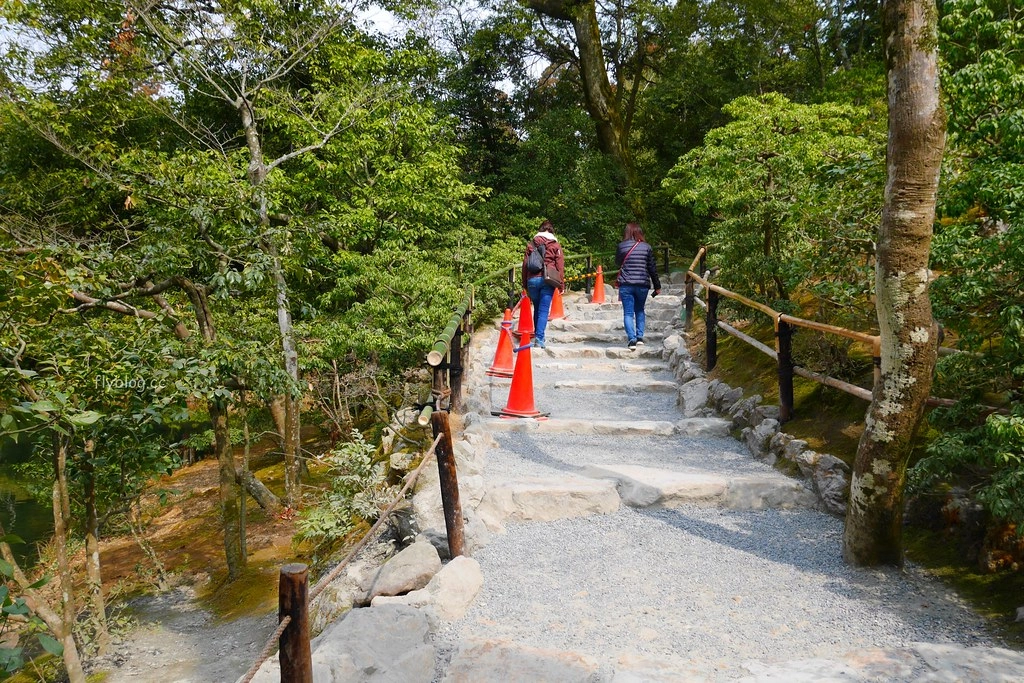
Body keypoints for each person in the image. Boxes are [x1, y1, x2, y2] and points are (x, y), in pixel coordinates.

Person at [615, 222, 661, 350]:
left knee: (628, 313)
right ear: (640, 232)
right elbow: (652, 268)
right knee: (640, 310)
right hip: (642, 284)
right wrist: (657, 285)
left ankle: (631, 339)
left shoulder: (621, 246)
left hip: (626, 284)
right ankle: (640, 337)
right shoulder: (647, 247)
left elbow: (617, 263)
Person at [521, 219, 565, 349]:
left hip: (532, 280)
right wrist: (561, 285)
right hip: (548, 279)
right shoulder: (555, 245)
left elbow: (525, 265)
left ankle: (538, 335)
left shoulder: (531, 245)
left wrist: (525, 283)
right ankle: (539, 338)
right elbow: (560, 266)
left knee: (537, 308)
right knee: (544, 310)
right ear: (551, 231)